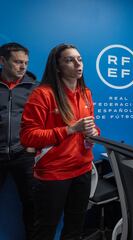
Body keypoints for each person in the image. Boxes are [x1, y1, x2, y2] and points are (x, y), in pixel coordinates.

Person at [20, 43, 99, 240]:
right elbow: (28, 137)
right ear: (57, 66)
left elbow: (92, 127)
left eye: (79, 59)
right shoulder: (43, 94)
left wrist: (93, 134)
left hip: (82, 169)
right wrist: (70, 129)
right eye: (69, 60)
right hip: (53, 174)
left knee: (75, 228)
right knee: (45, 230)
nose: (77, 64)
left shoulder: (85, 93)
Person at [0, 42, 38, 239]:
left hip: (23, 154)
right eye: (17, 62)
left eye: (25, 62)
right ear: (2, 61)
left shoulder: (35, 88)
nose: (23, 67)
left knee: (32, 203)